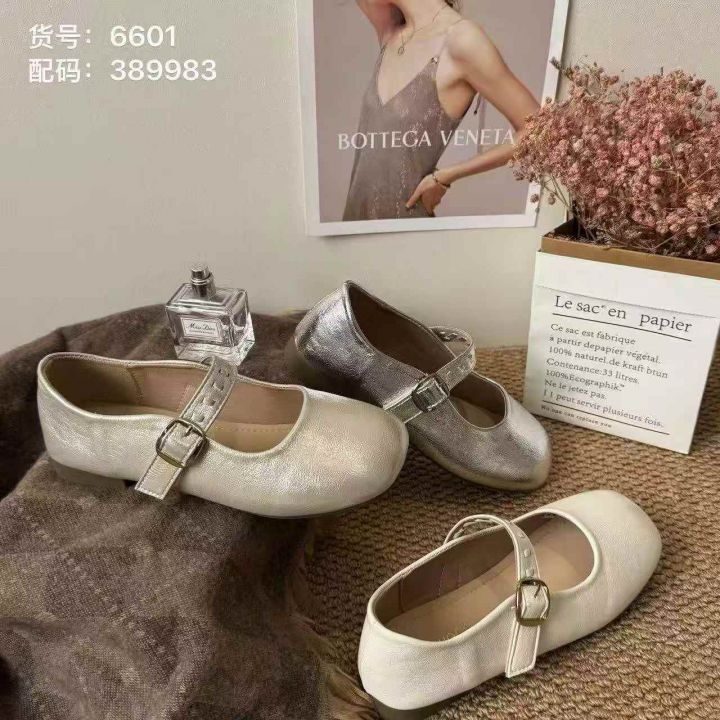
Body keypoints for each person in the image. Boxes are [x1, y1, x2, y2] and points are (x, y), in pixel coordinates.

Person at [343, 0, 540, 221]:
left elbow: (540, 130)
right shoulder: (391, 31)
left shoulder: (462, 40)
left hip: (403, 228)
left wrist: (447, 176)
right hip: (353, 223)